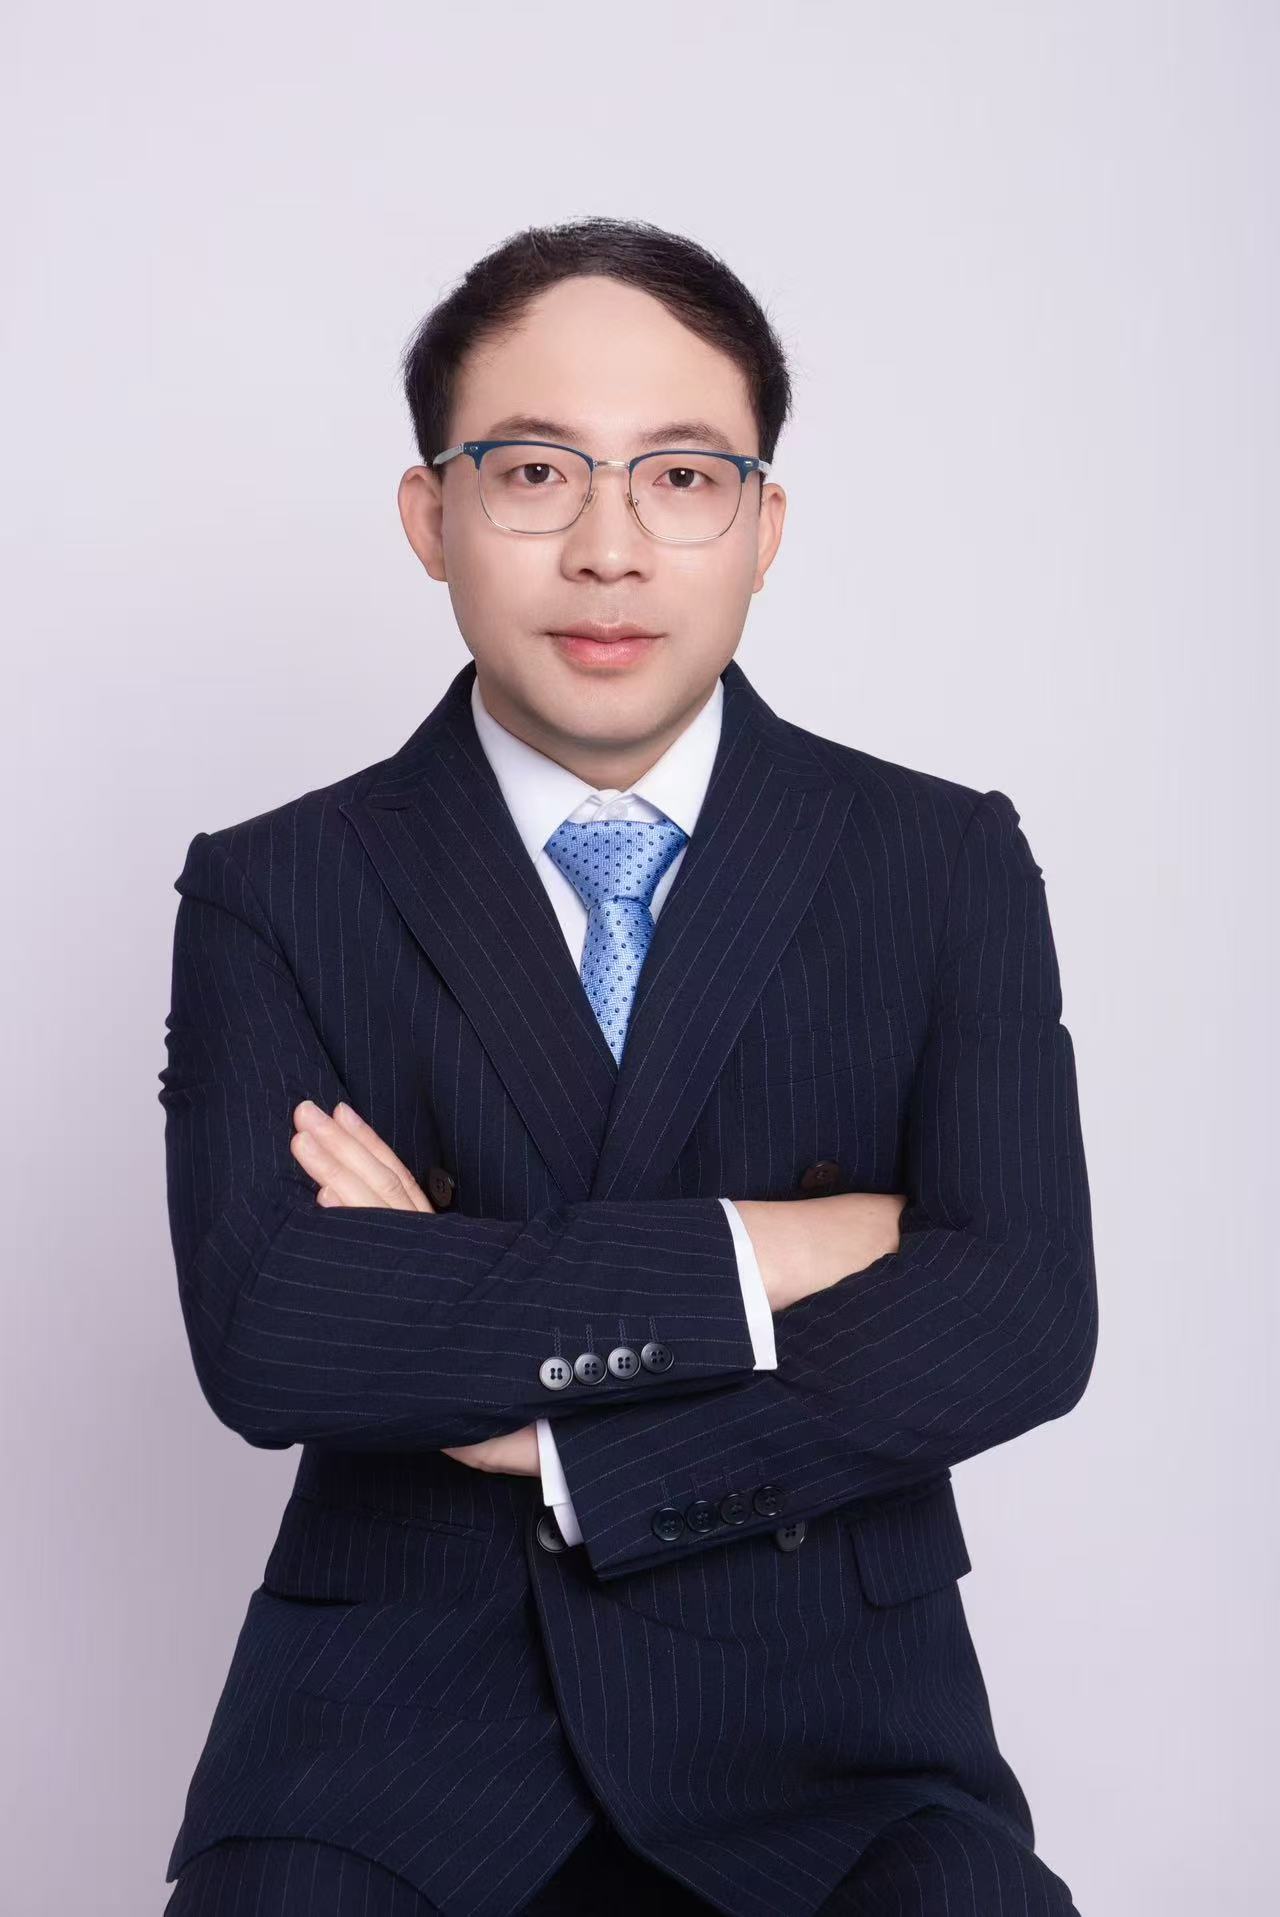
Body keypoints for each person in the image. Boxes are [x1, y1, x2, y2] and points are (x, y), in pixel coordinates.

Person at [158, 216, 1095, 1917]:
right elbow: (276, 1330)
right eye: (534, 472)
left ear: (763, 527)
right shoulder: (276, 885)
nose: (608, 549)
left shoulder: (939, 861)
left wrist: (570, 1440)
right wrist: (771, 1249)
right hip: (382, 1751)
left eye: (680, 476)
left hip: (839, 1747)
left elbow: (1020, 1311)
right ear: (430, 516)